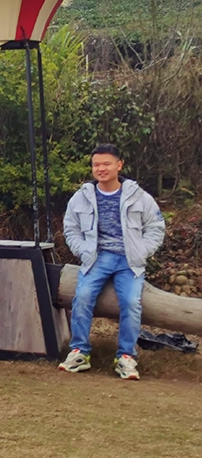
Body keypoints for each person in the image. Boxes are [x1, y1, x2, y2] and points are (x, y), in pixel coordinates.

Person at [59, 144, 166, 381]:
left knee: (130, 302)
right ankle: (79, 352)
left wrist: (142, 252)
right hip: (96, 259)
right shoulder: (82, 197)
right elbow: (71, 228)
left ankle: (126, 357)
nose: (101, 169)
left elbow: (156, 227)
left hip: (129, 261)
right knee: (82, 297)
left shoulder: (139, 196)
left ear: (119, 165)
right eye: (96, 165)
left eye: (106, 164)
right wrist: (82, 251)